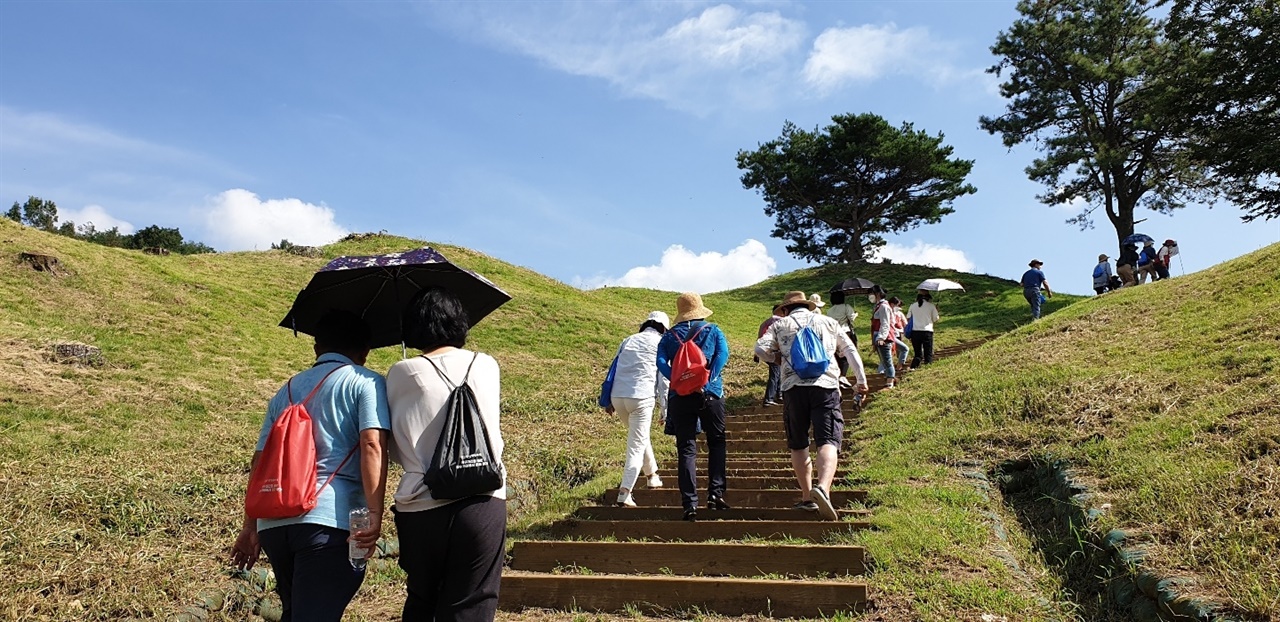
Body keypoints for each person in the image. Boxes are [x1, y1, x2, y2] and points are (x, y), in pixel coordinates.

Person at [231, 310, 391, 622]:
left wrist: (250, 526)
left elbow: (260, 460)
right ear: (365, 352)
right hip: (330, 523)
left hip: (274, 524)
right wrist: (374, 515)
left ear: (317, 348)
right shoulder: (366, 383)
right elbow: (372, 444)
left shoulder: (286, 390)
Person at [385, 287, 507, 620]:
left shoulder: (399, 372)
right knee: (473, 602)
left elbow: (395, 447)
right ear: (460, 322)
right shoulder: (486, 365)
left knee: (422, 599)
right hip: (482, 499)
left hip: (420, 504)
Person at [754, 291, 867, 521]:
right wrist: (861, 382)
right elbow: (849, 350)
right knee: (828, 440)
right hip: (825, 386)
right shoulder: (828, 321)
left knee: (798, 443)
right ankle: (823, 489)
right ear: (809, 306)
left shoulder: (780, 325)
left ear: (785, 309)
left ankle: (807, 497)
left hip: (793, 389)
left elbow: (759, 349)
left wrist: (775, 359)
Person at [657, 292, 731, 522]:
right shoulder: (712, 330)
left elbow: (660, 361)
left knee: (686, 448)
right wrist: (710, 377)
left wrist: (677, 381)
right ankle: (715, 494)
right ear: (700, 309)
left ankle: (689, 504)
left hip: (680, 397)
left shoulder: (669, 336)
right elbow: (723, 354)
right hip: (710, 393)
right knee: (716, 440)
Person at [605, 311, 671, 507]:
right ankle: (625, 492)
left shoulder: (629, 340)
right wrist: (665, 410)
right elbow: (664, 380)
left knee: (639, 438)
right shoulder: (661, 343)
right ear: (663, 328)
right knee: (636, 444)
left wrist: (608, 400)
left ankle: (652, 476)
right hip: (641, 398)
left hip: (618, 397)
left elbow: (614, 368)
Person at [825, 291, 859, 384]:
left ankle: (838, 375)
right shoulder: (846, 307)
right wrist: (855, 314)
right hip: (845, 332)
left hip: (833, 334)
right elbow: (851, 318)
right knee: (846, 353)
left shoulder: (829, 310)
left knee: (836, 355)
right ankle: (843, 376)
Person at [868, 285, 898, 389]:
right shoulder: (879, 306)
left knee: (887, 360)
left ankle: (890, 382)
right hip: (878, 335)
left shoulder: (884, 306)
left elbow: (885, 323)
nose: (870, 296)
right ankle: (890, 378)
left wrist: (881, 337)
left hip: (883, 337)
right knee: (883, 360)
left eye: (871, 293)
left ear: (877, 294)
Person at [757, 308, 783, 407]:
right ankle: (769, 398)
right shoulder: (777, 321)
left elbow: (759, 337)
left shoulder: (765, 322)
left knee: (778, 372)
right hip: (774, 351)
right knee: (775, 374)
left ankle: (779, 395)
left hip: (764, 350)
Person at [906, 290, 939, 368]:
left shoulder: (912, 305)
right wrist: (937, 311)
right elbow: (935, 319)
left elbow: (908, 317)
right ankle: (927, 368)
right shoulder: (931, 306)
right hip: (927, 332)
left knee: (918, 354)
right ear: (928, 297)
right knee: (928, 353)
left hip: (915, 332)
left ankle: (913, 367)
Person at [888, 297, 910, 370]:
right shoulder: (895, 313)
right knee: (901, 349)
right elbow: (905, 323)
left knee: (897, 350)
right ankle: (897, 365)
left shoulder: (895, 313)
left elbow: (904, 323)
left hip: (895, 333)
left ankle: (896, 364)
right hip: (895, 333)